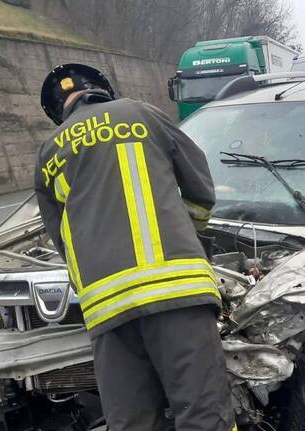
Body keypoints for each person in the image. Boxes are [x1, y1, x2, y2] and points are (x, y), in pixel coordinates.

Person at [35, 63, 236, 431]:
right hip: (177, 292)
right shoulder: (141, 114)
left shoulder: (49, 153)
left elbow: (62, 240)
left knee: (131, 422)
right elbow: (202, 193)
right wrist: (187, 236)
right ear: (102, 89)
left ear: (57, 111)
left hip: (107, 310)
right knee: (204, 415)